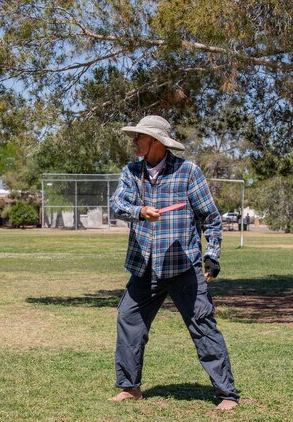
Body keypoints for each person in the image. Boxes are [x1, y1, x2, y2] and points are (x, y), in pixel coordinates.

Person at [108, 115, 239, 411]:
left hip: (183, 268)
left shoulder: (187, 172)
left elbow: (211, 217)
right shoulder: (131, 172)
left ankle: (226, 393)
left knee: (203, 326)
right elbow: (117, 204)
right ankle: (130, 388)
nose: (134, 141)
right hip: (144, 268)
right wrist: (141, 211)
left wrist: (212, 255)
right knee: (128, 320)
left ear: (155, 141)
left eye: (139, 137)